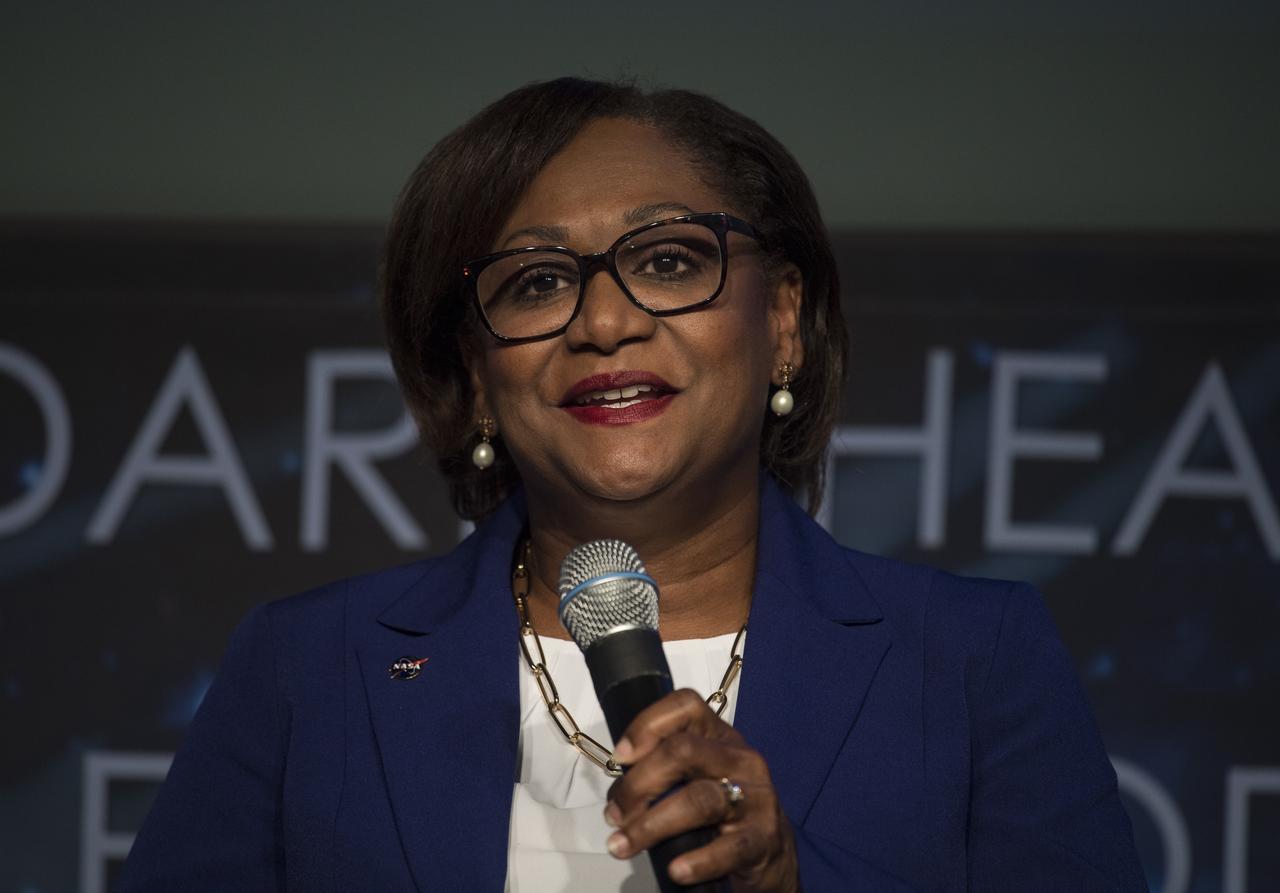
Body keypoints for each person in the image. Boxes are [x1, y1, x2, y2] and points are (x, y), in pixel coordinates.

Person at [119, 78, 1146, 892]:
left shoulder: (974, 661)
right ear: (478, 374)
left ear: (782, 319)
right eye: (534, 281)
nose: (602, 321)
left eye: (663, 259)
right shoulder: (307, 668)